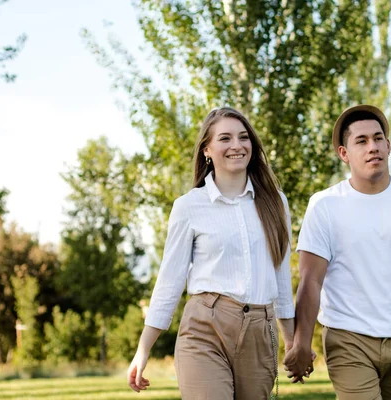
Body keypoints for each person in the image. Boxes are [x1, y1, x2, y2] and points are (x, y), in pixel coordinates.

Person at [126, 107, 297, 400]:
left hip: (259, 331)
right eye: (225, 138)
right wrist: (143, 350)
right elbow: (170, 280)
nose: (237, 145)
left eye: (244, 138)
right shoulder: (189, 206)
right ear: (207, 149)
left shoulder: (275, 202)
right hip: (205, 330)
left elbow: (280, 277)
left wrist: (292, 342)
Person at [283, 104, 391, 399]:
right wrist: (301, 343)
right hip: (348, 339)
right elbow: (311, 281)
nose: (372, 147)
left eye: (377, 138)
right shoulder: (324, 205)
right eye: (361, 141)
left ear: (388, 145)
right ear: (344, 153)